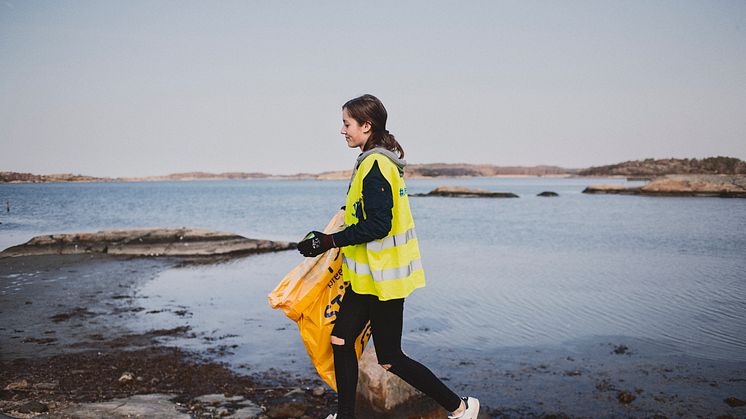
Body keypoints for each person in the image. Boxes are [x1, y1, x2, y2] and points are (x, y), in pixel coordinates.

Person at [297, 94, 479, 419]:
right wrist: (333, 227)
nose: (342, 130)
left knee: (390, 358)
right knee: (340, 340)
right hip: (365, 279)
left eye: (347, 123)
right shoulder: (372, 160)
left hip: (384, 281)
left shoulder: (377, 164)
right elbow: (364, 211)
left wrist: (329, 241)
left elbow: (379, 224)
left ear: (367, 126)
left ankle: (461, 408)